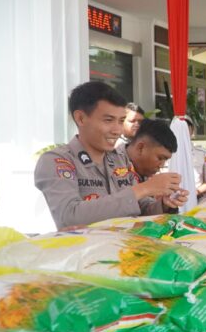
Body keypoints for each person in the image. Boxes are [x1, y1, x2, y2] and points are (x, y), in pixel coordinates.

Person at [34, 81, 187, 229]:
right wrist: (144, 189)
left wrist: (164, 204)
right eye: (108, 120)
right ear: (81, 118)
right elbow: (69, 217)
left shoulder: (121, 160)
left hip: (127, 244)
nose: (117, 130)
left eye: (121, 121)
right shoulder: (58, 161)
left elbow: (141, 208)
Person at [183, 116, 206, 201]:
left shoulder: (203, 153)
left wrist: (194, 193)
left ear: (192, 130)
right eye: (179, 128)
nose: (182, 131)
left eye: (186, 127)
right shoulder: (166, 153)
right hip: (171, 202)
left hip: (197, 199)